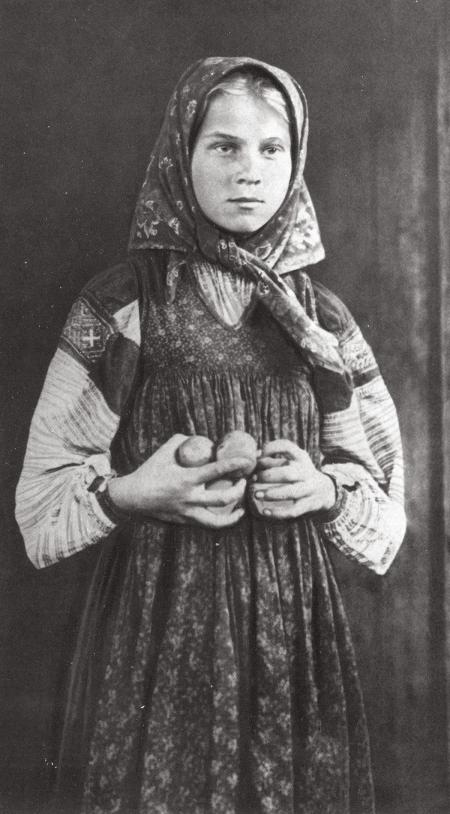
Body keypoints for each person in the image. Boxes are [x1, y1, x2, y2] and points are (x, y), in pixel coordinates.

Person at [16, 56, 406, 814]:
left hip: (291, 636)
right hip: (156, 625)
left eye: (271, 148)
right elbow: (40, 505)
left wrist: (323, 490)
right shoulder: (124, 304)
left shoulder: (322, 322)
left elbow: (385, 510)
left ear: (295, 161)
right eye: (223, 146)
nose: (249, 170)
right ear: (180, 154)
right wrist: (133, 493)